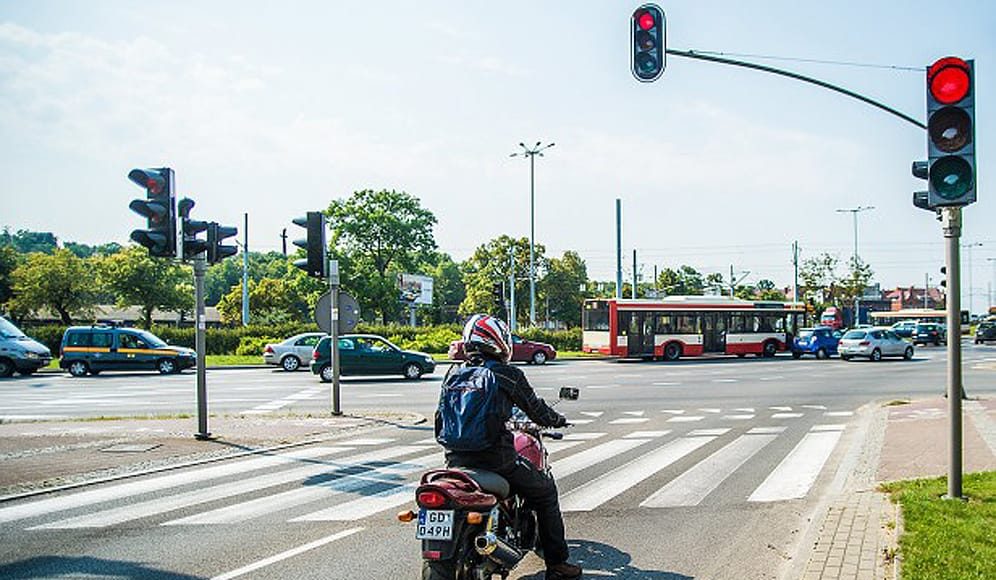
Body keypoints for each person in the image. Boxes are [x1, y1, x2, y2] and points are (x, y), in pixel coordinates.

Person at [435, 314, 582, 580]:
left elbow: (439, 422)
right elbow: (535, 409)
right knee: (546, 493)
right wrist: (557, 420)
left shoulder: (453, 374)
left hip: (454, 462)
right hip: (497, 460)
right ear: (498, 341)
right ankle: (558, 565)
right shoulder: (507, 374)